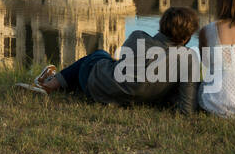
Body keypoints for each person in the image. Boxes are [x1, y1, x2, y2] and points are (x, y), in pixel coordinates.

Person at [24, 6, 202, 114]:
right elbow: (186, 109)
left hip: (98, 86)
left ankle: (49, 83)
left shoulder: (138, 37)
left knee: (98, 55)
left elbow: (122, 69)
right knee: (99, 62)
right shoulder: (189, 59)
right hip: (131, 98)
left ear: (161, 25)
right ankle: (54, 81)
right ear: (186, 38)